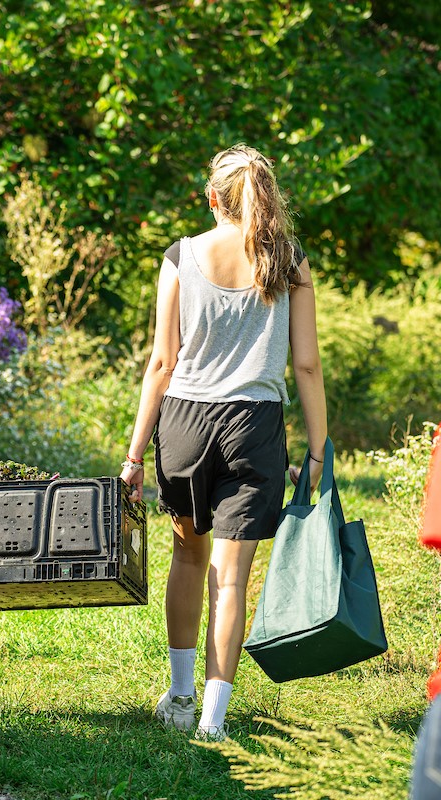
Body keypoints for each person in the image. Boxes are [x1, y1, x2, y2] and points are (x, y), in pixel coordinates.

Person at [120, 144, 327, 741]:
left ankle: (181, 696)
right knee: (231, 579)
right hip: (256, 426)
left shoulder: (182, 256)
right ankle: (213, 721)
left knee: (188, 556)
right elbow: (307, 366)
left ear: (212, 198)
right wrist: (317, 450)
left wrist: (135, 456)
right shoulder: (289, 259)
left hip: (185, 422)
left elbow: (162, 360)